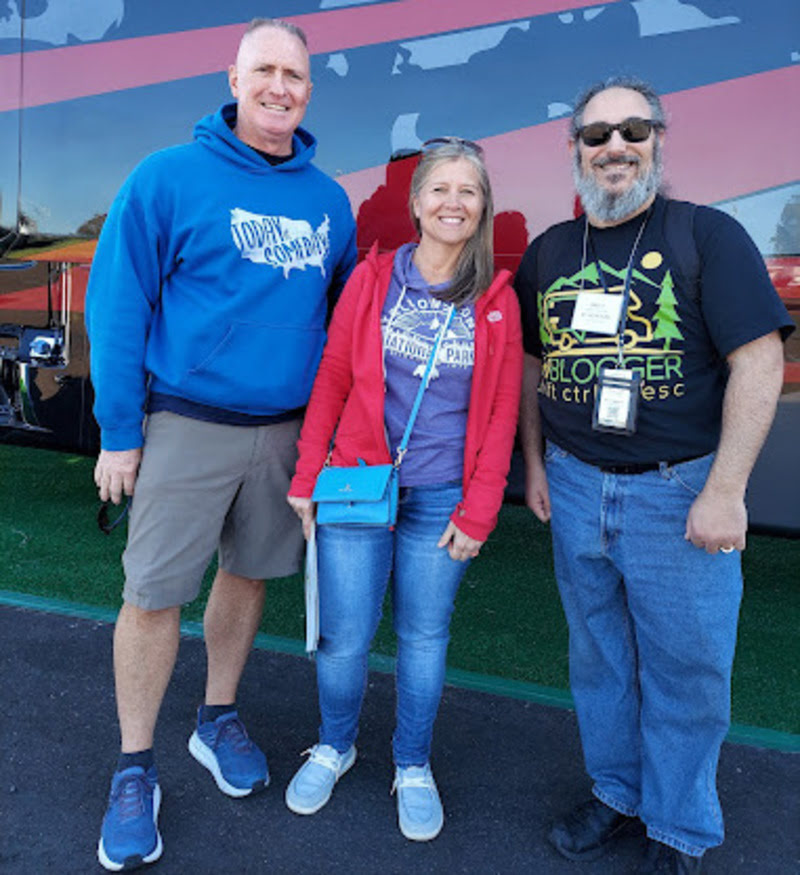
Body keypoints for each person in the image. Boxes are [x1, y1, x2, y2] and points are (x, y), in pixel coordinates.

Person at [85, 19, 357, 871]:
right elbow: (118, 304)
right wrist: (119, 431)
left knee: (248, 576)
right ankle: (135, 767)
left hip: (283, 432)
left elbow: (341, 321)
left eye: (295, 75)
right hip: (185, 421)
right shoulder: (168, 176)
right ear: (234, 81)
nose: (280, 86)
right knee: (153, 593)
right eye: (264, 70)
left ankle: (217, 717)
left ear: (309, 91)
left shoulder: (329, 201)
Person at [515, 76, 794, 874]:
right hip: (575, 483)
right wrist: (534, 462)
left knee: (687, 670)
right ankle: (618, 792)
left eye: (633, 131)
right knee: (599, 657)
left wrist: (726, 490)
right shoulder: (550, 251)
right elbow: (533, 364)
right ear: (576, 150)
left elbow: (759, 361)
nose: (615, 147)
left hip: (678, 491)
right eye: (597, 134)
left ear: (658, 141)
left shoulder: (707, 235)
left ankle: (678, 826)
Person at [285, 138, 523, 841]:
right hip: (356, 486)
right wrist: (306, 476)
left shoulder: (496, 301)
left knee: (423, 637)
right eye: (440, 189)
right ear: (417, 204)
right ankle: (334, 744)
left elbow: (502, 411)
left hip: (443, 497)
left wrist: (480, 510)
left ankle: (412, 763)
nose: (454, 202)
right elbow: (332, 376)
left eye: (468, 191)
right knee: (344, 637)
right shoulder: (372, 280)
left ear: (482, 207)